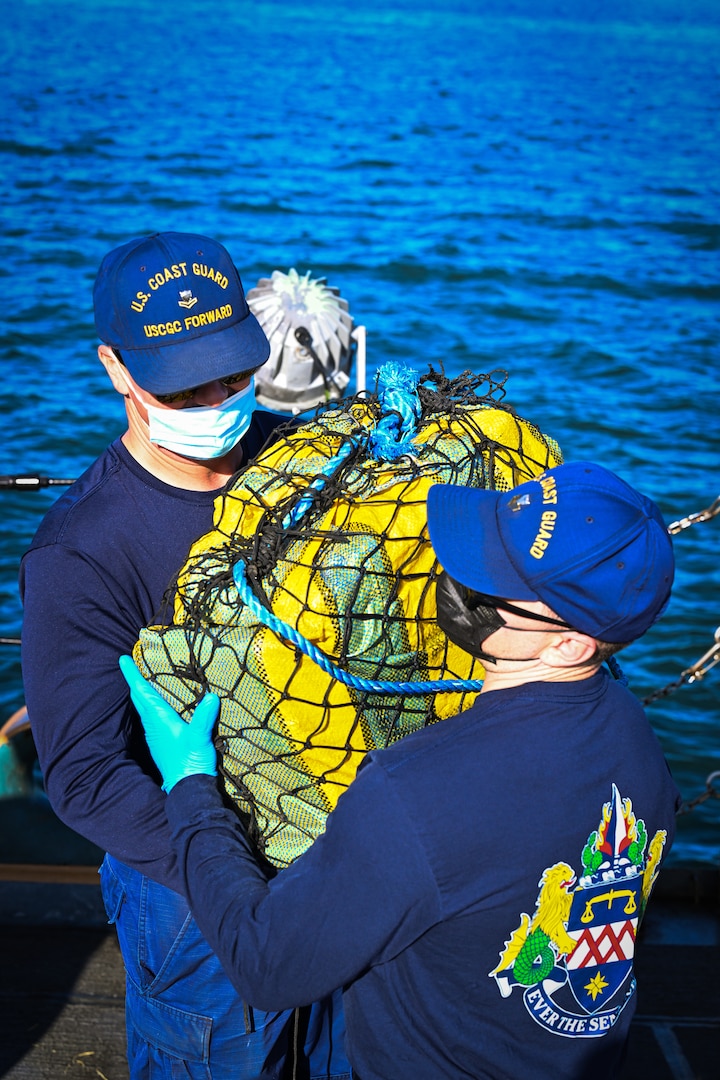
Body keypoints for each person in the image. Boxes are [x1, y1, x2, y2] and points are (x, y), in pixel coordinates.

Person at [122, 460, 681, 1080]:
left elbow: (265, 965)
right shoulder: (638, 739)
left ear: (569, 642)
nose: (455, 575)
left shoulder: (414, 790)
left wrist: (192, 784)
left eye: (491, 579)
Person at [20, 231, 350, 1080]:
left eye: (235, 374)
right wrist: (226, 866)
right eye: (183, 383)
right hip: (190, 894)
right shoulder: (81, 554)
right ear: (116, 369)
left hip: (345, 860)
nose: (217, 399)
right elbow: (85, 777)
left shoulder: (304, 462)